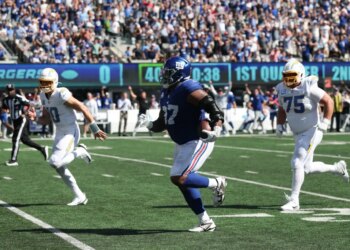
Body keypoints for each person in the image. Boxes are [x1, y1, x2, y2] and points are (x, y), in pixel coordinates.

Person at [144, 56, 227, 232]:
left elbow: (210, 104)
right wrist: (150, 124)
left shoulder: (187, 87)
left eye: (168, 73)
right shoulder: (167, 92)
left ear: (179, 74)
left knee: (178, 177)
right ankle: (205, 222)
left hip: (198, 140)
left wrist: (217, 125)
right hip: (183, 143)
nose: (164, 77)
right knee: (183, 182)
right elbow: (162, 122)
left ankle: (216, 183)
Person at [276, 59, 349, 211]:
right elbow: (282, 108)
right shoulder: (282, 89)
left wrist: (326, 123)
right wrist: (279, 124)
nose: (289, 80)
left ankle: (294, 200)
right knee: (306, 168)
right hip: (298, 132)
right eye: (287, 76)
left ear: (301, 75)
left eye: (292, 76)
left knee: (297, 162)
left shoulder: (308, 86)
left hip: (312, 129)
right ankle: (337, 169)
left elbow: (328, 101)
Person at [32, 68, 107, 206]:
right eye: (42, 82)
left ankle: (80, 151)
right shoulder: (43, 96)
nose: (44, 85)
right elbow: (46, 119)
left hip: (70, 131)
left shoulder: (61, 93)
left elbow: (82, 107)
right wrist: (34, 118)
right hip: (60, 132)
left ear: (54, 82)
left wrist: (94, 128)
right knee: (58, 167)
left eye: (47, 82)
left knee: (54, 162)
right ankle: (79, 196)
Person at [2, 84, 48, 166]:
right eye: (9, 90)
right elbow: (4, 108)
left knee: (15, 138)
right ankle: (42, 148)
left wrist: (25, 113)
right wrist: (5, 112)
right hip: (14, 120)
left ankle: (13, 160)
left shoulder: (19, 98)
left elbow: (29, 104)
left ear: (14, 90)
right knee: (25, 140)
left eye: (11, 90)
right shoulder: (5, 100)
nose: (10, 91)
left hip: (21, 120)